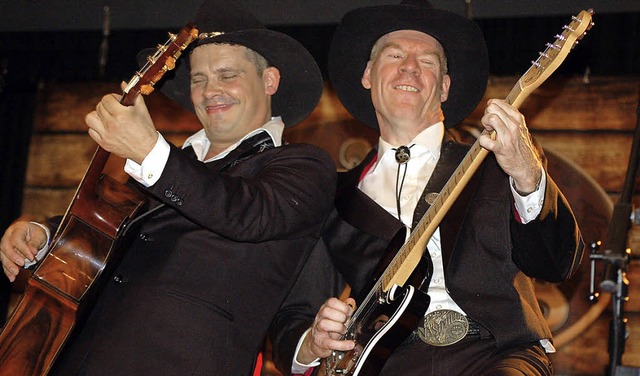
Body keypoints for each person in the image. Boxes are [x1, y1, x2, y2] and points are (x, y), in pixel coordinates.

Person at [0, 0, 336, 374]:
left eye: (228, 75)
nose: (211, 91)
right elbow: (103, 227)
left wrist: (149, 150)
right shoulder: (164, 166)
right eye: (198, 79)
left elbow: (246, 212)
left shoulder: (303, 165)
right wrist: (41, 234)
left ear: (269, 80)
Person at [269, 1, 584, 375]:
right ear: (368, 74)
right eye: (395, 54)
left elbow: (557, 263)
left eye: (428, 61)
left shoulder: (500, 163)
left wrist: (528, 176)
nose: (410, 67)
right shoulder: (334, 199)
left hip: (497, 355)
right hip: (384, 362)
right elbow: (293, 316)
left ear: (445, 86)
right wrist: (313, 341)